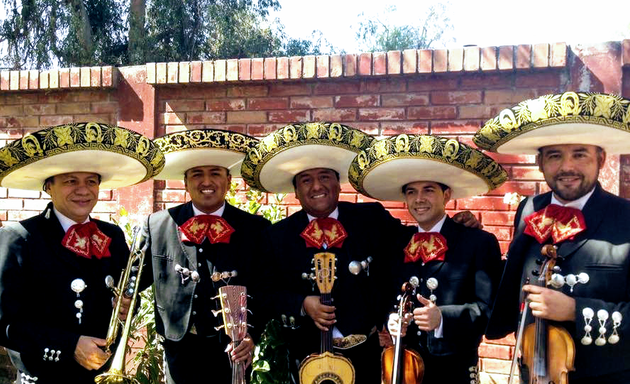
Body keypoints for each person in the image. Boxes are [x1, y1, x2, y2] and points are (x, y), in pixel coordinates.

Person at [240, 122, 481, 384]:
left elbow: (415, 238)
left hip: (365, 353)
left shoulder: (369, 218)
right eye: (306, 180)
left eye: (324, 177)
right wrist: (301, 303)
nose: (317, 186)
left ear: (338, 183)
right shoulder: (277, 236)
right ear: (296, 191)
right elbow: (264, 292)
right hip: (305, 354)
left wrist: (455, 227)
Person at [476, 92, 630, 383]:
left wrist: (576, 310)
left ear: (601, 158)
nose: (567, 167)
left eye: (579, 154)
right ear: (540, 162)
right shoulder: (529, 209)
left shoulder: (626, 218)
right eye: (555, 155)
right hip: (534, 370)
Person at [0, 122, 164, 384]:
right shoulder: (20, 238)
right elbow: (5, 324)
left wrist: (125, 309)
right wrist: (70, 345)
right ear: (49, 187)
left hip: (101, 375)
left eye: (91, 181)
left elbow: (126, 297)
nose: (83, 190)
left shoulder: (112, 235)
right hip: (45, 377)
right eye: (70, 181)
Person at [349, 133, 505, 383]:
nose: (419, 199)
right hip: (404, 366)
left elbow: (488, 311)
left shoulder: (478, 242)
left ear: (446, 195)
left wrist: (443, 317)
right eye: (411, 192)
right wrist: (389, 318)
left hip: (453, 369)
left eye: (428, 190)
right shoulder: (396, 242)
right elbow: (384, 294)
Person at [143, 129, 270, 384]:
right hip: (179, 348)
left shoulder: (255, 229)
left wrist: (251, 333)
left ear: (229, 180)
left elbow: (266, 288)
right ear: (186, 182)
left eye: (215, 173)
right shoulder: (157, 225)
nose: (206, 181)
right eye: (197, 174)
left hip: (232, 349)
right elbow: (136, 284)